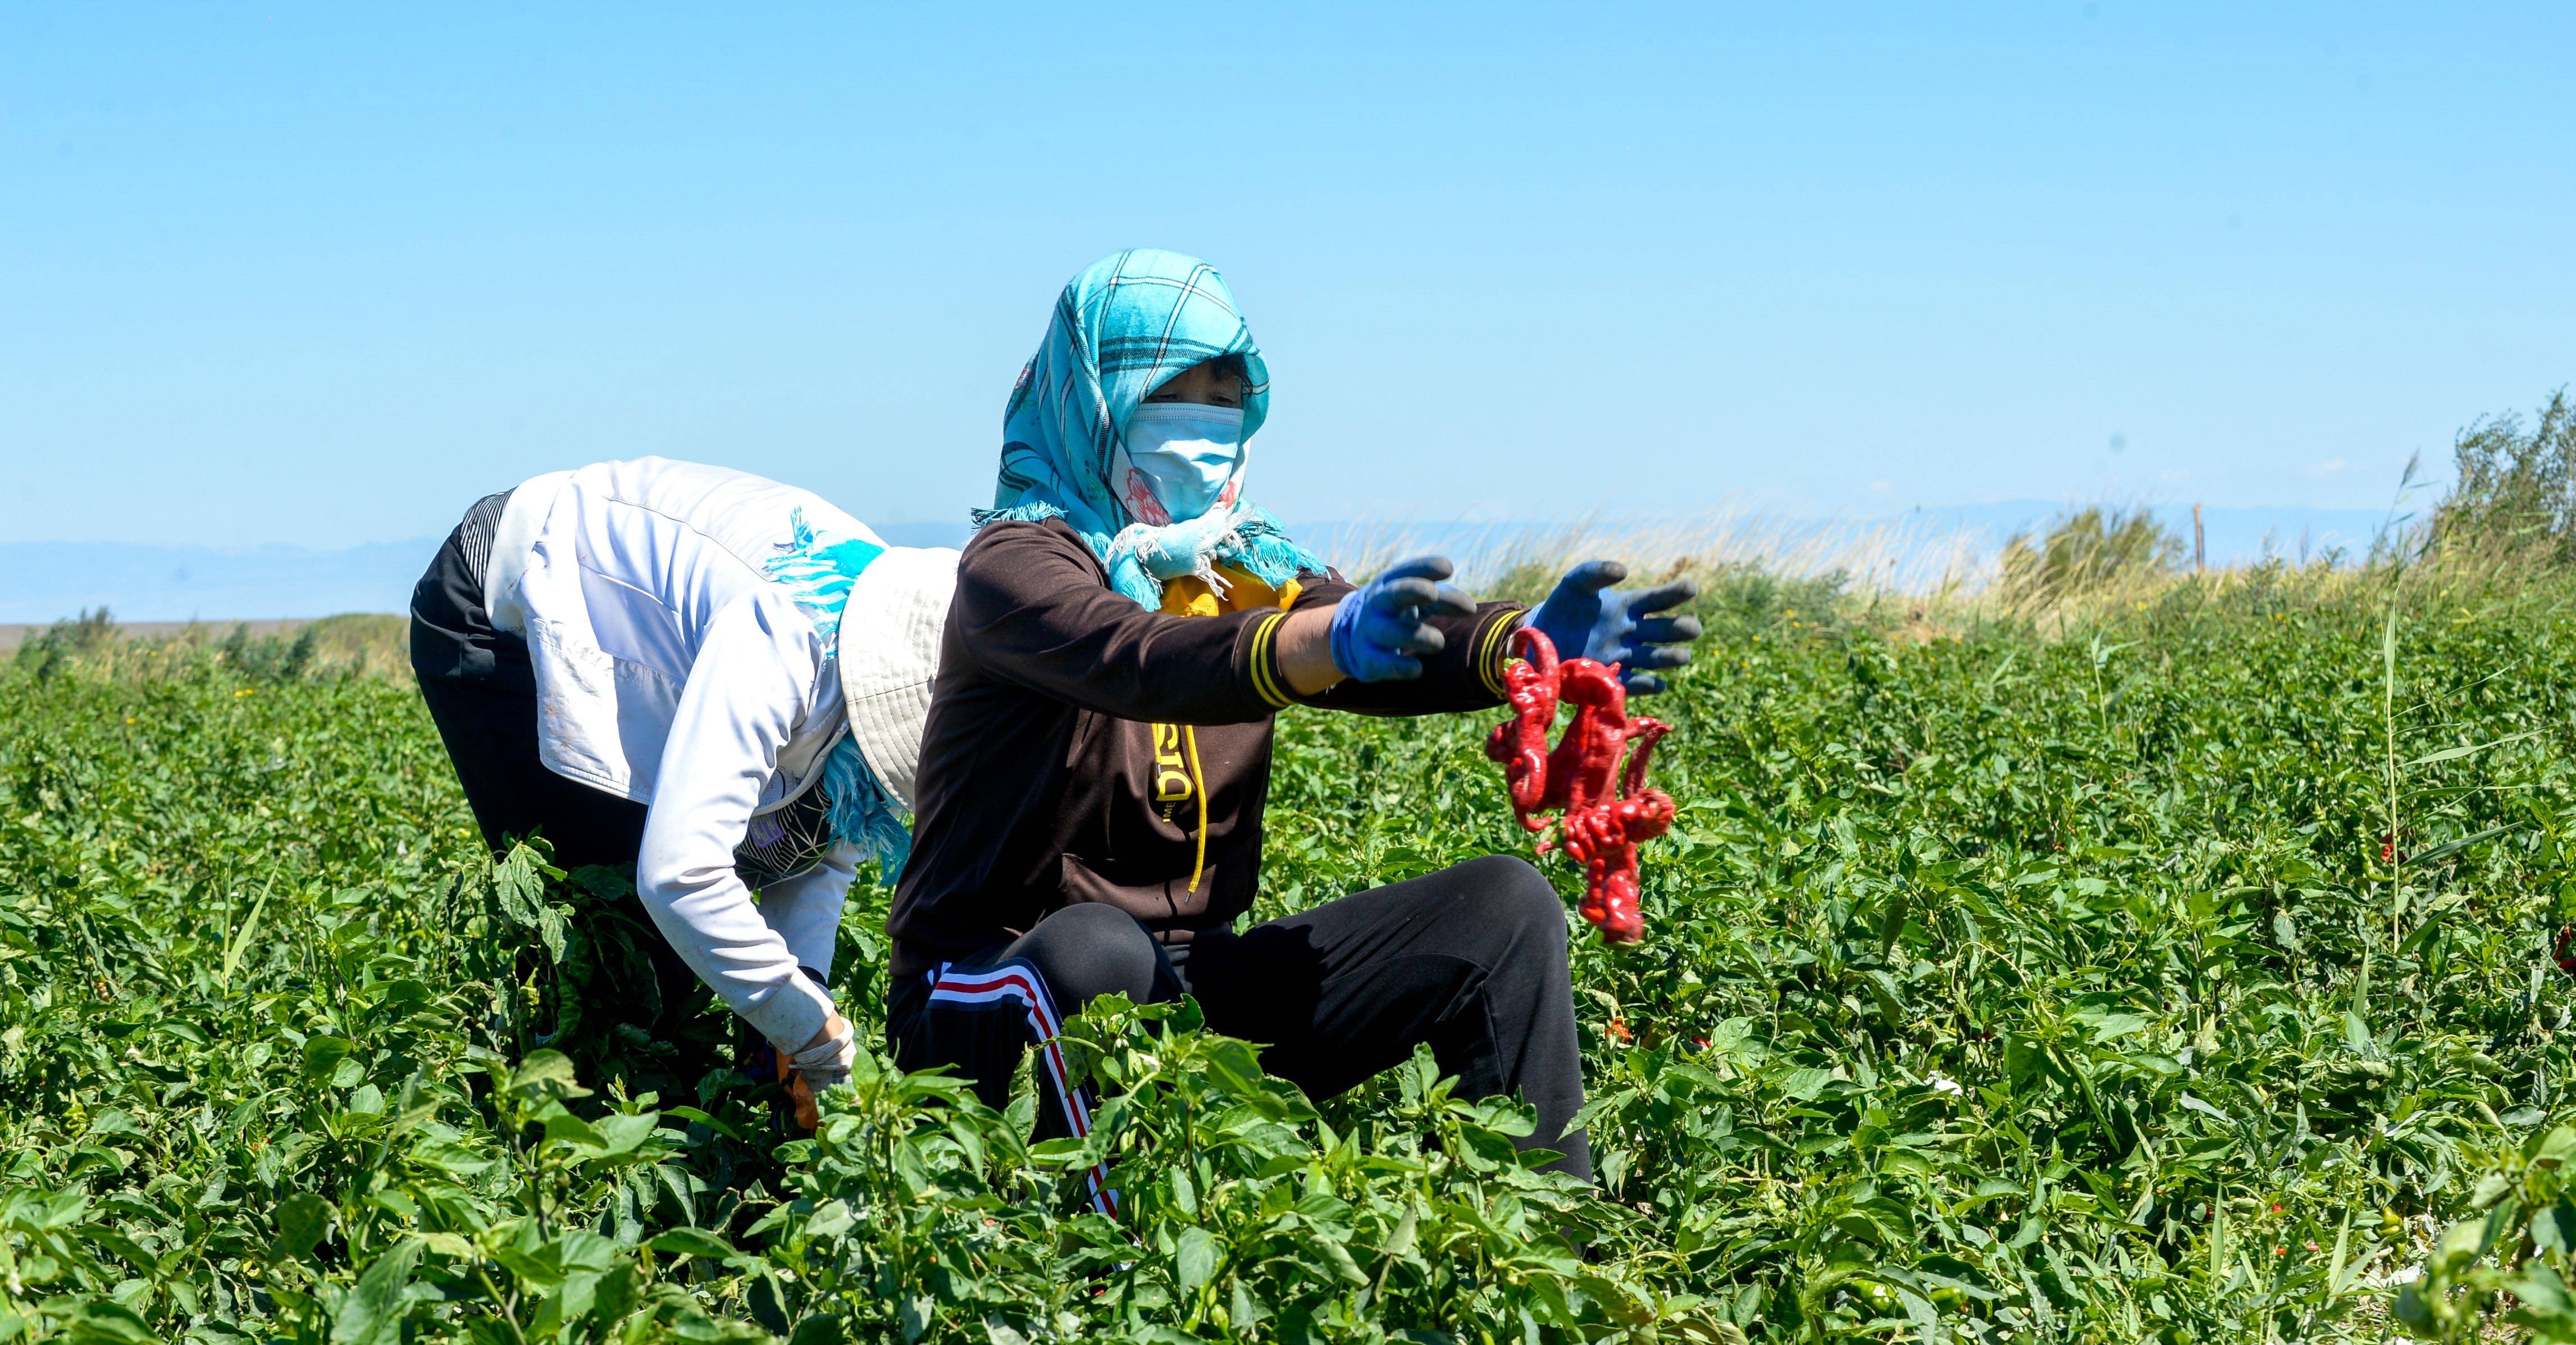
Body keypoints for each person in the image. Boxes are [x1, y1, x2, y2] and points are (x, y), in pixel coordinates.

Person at [884, 249, 1701, 1206]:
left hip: (1186, 987)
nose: (1207, 421)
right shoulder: (1016, 569)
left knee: (1501, 910)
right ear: (1093, 395)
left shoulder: (1244, 565)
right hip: (989, 992)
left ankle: (1556, 1284)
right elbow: (1137, 657)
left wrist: (1515, 646)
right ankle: (1118, 1299)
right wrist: (1318, 643)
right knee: (1094, 948)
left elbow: (1378, 641)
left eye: (1226, 394)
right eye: (1172, 392)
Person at [408, 458, 954, 1114]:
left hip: (634, 625)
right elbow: (679, 876)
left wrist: (802, 997)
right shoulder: (785, 634)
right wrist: (817, 1038)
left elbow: (820, 844)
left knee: (699, 966)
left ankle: (738, 1113)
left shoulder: (898, 642)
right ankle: (551, 1145)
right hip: (503, 606)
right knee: (616, 947)